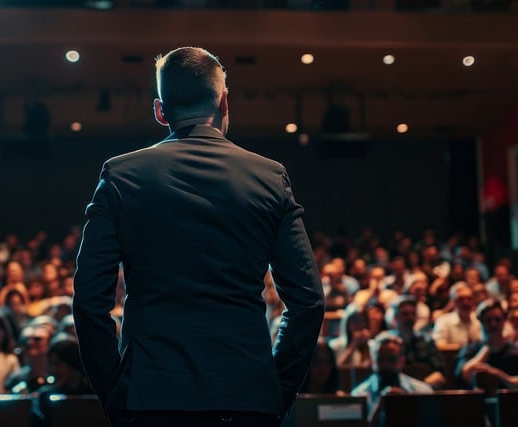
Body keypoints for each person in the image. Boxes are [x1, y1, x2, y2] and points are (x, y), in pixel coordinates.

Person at [72, 46, 324, 427]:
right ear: (224, 102)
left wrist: (115, 390)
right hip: (247, 398)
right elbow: (307, 302)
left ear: (160, 111)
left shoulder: (121, 176)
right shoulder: (270, 177)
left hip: (151, 398)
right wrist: (277, 386)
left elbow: (90, 301)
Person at [351, 332, 433, 426]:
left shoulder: (422, 392)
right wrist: (380, 406)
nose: (386, 365)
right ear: (373, 362)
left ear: (401, 361)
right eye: (380, 359)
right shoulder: (359, 395)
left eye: (391, 359)